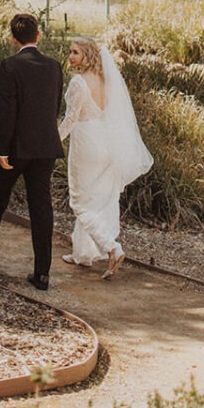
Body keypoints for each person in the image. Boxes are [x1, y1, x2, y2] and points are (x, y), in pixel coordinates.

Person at [0, 12, 63, 291]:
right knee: (42, 208)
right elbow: (55, 108)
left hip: (16, 147)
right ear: (38, 36)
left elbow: (8, 113)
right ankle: (42, 274)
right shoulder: (54, 66)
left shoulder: (10, 65)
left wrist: (2, 150)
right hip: (45, 148)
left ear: (13, 39)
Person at [58, 35, 153, 279]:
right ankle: (83, 254)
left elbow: (70, 120)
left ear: (87, 56)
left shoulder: (78, 83)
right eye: (70, 51)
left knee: (80, 201)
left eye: (76, 52)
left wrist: (51, 142)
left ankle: (111, 247)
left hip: (86, 143)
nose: (71, 56)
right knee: (97, 199)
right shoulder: (106, 80)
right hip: (107, 143)